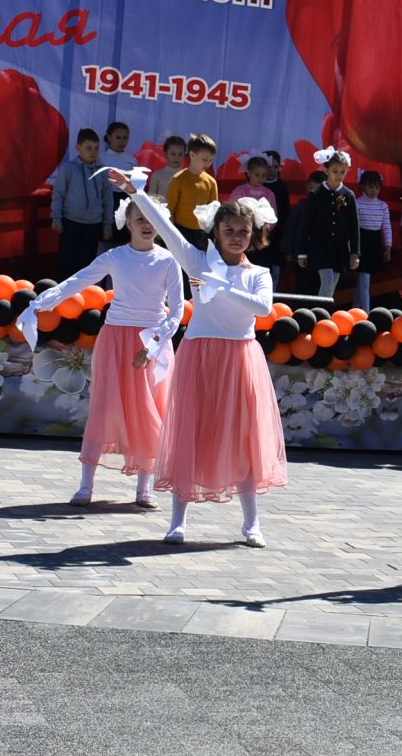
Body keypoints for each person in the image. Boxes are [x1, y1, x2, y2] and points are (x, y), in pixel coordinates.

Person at [117, 171, 286, 547]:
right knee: (190, 432)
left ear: (253, 234)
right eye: (230, 230)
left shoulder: (258, 273)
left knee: (245, 438)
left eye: (244, 231)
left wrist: (220, 285)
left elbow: (262, 308)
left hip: (241, 356)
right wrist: (137, 192)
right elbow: (167, 226)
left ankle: (251, 523)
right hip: (200, 353)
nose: (237, 236)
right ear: (216, 232)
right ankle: (178, 520)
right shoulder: (197, 263)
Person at [27, 191, 185, 508]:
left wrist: (153, 345)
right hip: (115, 340)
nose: (146, 225)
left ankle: (144, 488)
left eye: (152, 219)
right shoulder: (115, 257)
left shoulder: (168, 260)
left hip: (150, 342)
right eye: (139, 218)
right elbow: (78, 281)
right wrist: (41, 302)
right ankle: (86, 486)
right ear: (127, 222)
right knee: (104, 407)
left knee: (149, 411)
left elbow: (177, 310)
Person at [295, 147, 359, 299]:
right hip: (320, 246)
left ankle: (321, 313)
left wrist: (355, 252)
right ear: (327, 170)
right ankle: (321, 314)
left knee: (332, 284)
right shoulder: (316, 193)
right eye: (335, 171)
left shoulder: (348, 195)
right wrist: (302, 252)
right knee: (328, 280)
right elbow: (305, 225)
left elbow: (354, 226)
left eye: (342, 172)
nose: (338, 175)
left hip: (340, 246)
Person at [49, 128, 111, 278]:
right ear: (78, 148)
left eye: (96, 148)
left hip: (94, 224)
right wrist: (56, 217)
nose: (93, 152)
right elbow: (58, 195)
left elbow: (107, 199)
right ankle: (62, 296)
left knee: (87, 264)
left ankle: (83, 296)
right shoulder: (69, 169)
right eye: (88, 148)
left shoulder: (103, 171)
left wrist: (107, 224)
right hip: (71, 222)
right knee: (67, 262)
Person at [164, 134, 220, 251]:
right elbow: (169, 208)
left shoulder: (211, 182)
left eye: (211, 160)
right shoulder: (178, 179)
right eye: (205, 159)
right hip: (181, 230)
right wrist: (173, 232)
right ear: (192, 155)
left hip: (202, 233)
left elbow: (213, 210)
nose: (208, 163)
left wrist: (211, 233)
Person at [230, 154, 280, 281]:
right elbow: (231, 211)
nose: (261, 178)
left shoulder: (269, 193)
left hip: (260, 235)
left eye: (264, 175)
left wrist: (265, 228)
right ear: (249, 173)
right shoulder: (240, 190)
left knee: (259, 264)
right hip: (242, 234)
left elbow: (273, 215)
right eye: (257, 175)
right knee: (242, 262)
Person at [353, 170, 392, 310]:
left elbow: (387, 227)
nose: (374, 190)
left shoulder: (383, 206)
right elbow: (352, 226)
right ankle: (366, 314)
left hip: (375, 243)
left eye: (377, 187)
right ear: (362, 186)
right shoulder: (356, 203)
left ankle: (355, 309)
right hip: (361, 242)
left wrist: (388, 247)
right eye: (370, 186)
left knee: (364, 280)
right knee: (364, 280)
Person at [148, 135, 187, 202]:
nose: (176, 157)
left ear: (184, 155)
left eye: (180, 154)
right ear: (166, 154)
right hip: (161, 211)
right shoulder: (157, 175)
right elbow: (151, 200)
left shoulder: (188, 175)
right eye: (173, 154)